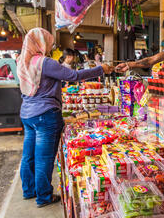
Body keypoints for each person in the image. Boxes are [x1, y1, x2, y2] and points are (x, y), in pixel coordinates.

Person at [17, 28, 113, 208]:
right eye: (50, 43)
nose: (52, 48)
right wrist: (100, 69)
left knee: (28, 155)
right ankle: (43, 196)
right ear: (41, 43)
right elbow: (73, 76)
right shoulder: (45, 62)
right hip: (45, 114)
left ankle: (28, 190)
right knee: (44, 158)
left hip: (27, 114)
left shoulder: (22, 61)